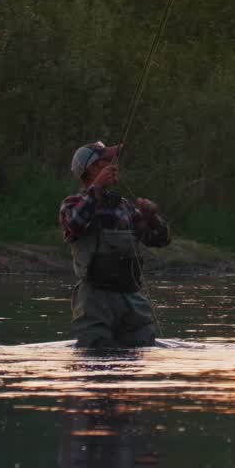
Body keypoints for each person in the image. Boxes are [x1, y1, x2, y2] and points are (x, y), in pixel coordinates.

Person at [59, 141, 172, 348]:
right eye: (108, 161)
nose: (114, 166)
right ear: (92, 168)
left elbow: (160, 240)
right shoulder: (72, 203)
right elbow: (75, 223)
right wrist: (97, 188)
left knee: (142, 350)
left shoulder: (124, 206)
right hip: (94, 300)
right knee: (96, 356)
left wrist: (153, 217)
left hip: (130, 297)